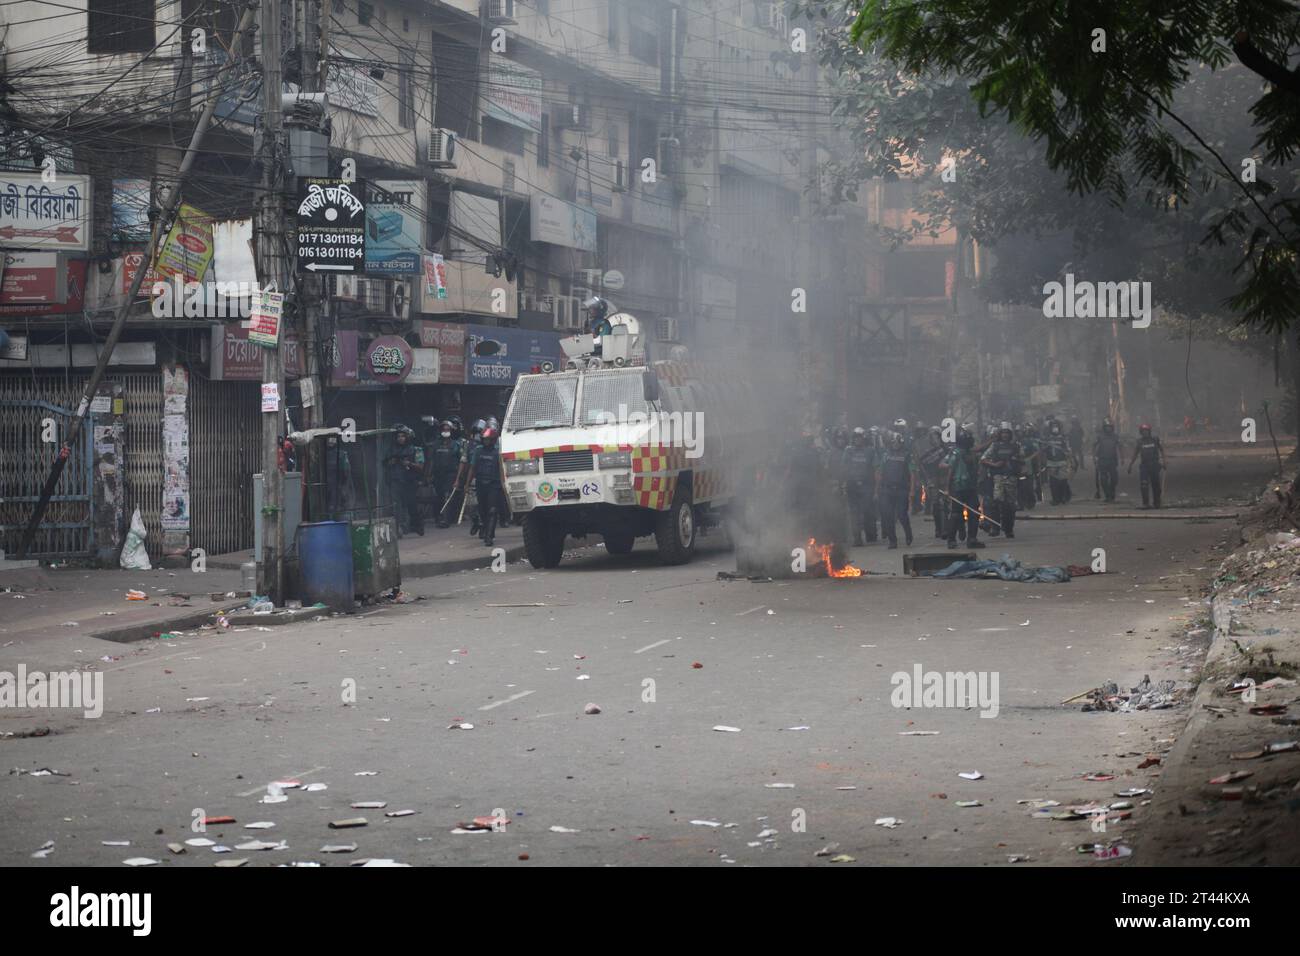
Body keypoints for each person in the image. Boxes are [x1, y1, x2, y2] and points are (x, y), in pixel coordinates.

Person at [941, 428, 985, 550]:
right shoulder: (956, 453)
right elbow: (950, 470)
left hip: (970, 487)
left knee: (974, 513)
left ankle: (972, 539)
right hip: (958, 487)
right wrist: (947, 488)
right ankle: (951, 540)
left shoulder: (971, 453)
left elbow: (980, 450)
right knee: (956, 514)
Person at [980, 423, 1022, 539]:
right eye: (1003, 433)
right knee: (996, 503)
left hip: (1011, 478)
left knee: (1010, 505)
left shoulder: (1016, 446)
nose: (1005, 435)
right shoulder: (995, 446)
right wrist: (994, 464)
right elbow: (983, 459)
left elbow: (1022, 459)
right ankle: (995, 527)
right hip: (997, 477)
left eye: (1007, 433)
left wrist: (1017, 463)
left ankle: (1009, 529)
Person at [466, 426, 504, 547]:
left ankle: (489, 536)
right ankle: (484, 528)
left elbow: (502, 469)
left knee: (492, 510)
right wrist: (467, 484)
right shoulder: (478, 450)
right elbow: (472, 468)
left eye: (488, 439)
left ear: (493, 440)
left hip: (494, 484)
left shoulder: (498, 452)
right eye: (484, 439)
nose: (486, 441)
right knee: (482, 510)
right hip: (480, 484)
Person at [385, 425, 424, 536]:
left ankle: (417, 525)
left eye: (403, 436)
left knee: (411, 505)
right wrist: (391, 462)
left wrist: (409, 464)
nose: (401, 438)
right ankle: (398, 529)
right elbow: (385, 463)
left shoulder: (416, 449)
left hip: (410, 481)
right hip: (396, 481)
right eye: (399, 436)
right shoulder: (391, 450)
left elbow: (421, 466)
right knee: (396, 506)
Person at [842, 427, 879, 545]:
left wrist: (876, 487)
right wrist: (844, 483)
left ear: (864, 438)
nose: (858, 440)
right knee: (854, 513)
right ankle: (857, 538)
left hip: (867, 485)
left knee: (867, 510)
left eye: (860, 438)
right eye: (856, 438)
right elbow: (844, 468)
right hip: (852, 485)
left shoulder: (870, 451)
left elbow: (876, 469)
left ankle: (871, 534)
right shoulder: (848, 451)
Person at [877, 431, 914, 549]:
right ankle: (892, 540)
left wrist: (912, 490)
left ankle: (908, 533)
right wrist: (878, 488)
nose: (895, 444)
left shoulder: (907, 455)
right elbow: (880, 472)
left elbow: (912, 473)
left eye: (897, 442)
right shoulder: (885, 455)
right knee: (888, 515)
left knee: (902, 514)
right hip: (887, 489)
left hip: (902, 489)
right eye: (893, 442)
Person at [427, 420, 464, 528]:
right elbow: (431, 460)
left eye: (447, 429)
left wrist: (458, 478)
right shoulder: (435, 444)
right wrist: (428, 475)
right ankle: (438, 517)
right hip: (438, 475)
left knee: (448, 496)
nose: (445, 431)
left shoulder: (456, 445)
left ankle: (446, 519)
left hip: (451, 474)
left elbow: (462, 462)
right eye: (444, 429)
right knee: (439, 496)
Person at [915, 425, 949, 538]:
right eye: (933, 437)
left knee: (945, 502)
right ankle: (938, 529)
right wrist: (927, 481)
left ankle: (946, 528)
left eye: (937, 436)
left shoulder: (945, 448)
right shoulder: (922, 452)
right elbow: (922, 468)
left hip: (944, 478)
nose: (935, 439)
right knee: (936, 503)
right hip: (932, 478)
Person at [456, 419, 487, 535]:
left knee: (484, 505)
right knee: (471, 505)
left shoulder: (489, 445)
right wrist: (459, 479)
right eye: (476, 433)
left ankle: (484, 526)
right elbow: (463, 461)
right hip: (472, 479)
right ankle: (476, 522)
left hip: (486, 478)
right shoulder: (468, 445)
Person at [1128, 423, 1166, 508]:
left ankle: (1157, 502)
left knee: (1156, 485)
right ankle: (1146, 503)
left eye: (1147, 431)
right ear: (1141, 432)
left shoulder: (1155, 440)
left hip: (1155, 465)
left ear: (1149, 431)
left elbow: (1162, 450)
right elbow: (1135, 454)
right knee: (1144, 484)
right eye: (1143, 431)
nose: (1145, 433)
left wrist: (1164, 461)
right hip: (1144, 466)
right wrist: (1130, 465)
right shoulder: (1139, 442)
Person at [1042, 420, 1074, 505]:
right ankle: (1055, 499)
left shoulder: (1064, 438)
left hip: (1062, 462)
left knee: (1063, 481)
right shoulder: (1047, 438)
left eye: (1056, 426)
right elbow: (1043, 450)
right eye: (1053, 426)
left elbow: (1068, 450)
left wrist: (1069, 459)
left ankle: (1064, 497)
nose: (1055, 428)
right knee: (1053, 482)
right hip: (1051, 463)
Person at [1093, 420, 1121, 502]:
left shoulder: (1115, 436)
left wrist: (1122, 457)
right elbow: (1094, 446)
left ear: (1112, 428)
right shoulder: (1100, 436)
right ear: (1104, 428)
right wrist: (1094, 457)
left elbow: (1120, 446)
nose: (1108, 428)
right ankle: (1107, 495)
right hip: (1102, 460)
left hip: (1112, 460)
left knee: (1114, 479)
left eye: (1109, 427)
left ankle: (1112, 492)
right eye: (1106, 427)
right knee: (1103, 479)